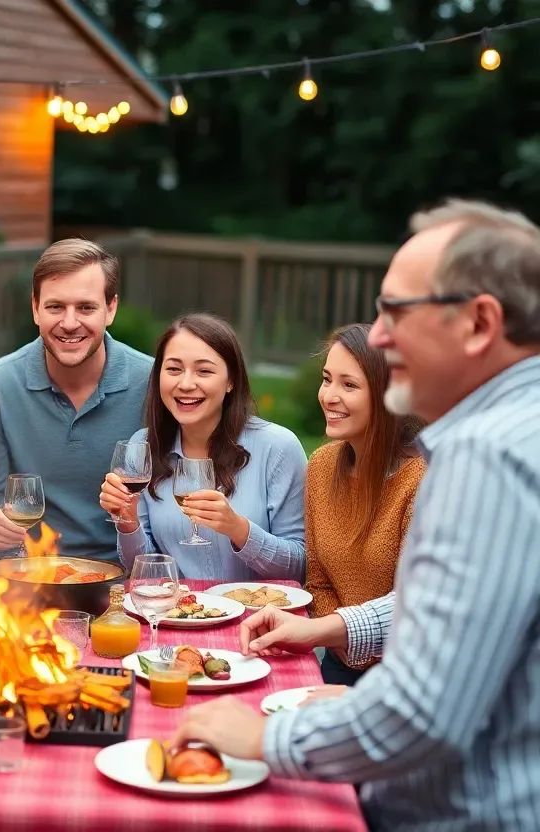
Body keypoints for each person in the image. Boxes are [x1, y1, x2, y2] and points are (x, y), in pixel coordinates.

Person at [170, 199, 540, 831]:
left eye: (395, 311)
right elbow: (443, 607)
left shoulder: (486, 455)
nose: (382, 335)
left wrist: (263, 739)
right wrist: (328, 634)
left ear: (480, 322)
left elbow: (421, 715)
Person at [100, 313, 306, 580]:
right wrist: (127, 520)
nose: (186, 384)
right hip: (179, 615)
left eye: (204, 371)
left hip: (260, 617)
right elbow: (144, 573)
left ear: (231, 380)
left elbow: (299, 567)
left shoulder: (277, 447)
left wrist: (238, 529)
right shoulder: (144, 446)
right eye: (173, 369)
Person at [0, 239, 153, 560]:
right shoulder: (0, 384)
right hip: (30, 576)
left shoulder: (152, 384)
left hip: (129, 574)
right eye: (55, 306)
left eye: (86, 307)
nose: (70, 322)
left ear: (111, 308)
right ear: (35, 308)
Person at [306, 323, 425, 685]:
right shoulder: (322, 465)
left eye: (349, 385)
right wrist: (342, 643)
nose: (329, 395)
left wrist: (351, 641)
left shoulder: (421, 480)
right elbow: (317, 578)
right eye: (327, 380)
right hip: (337, 659)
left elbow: (415, 602)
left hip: (403, 675)